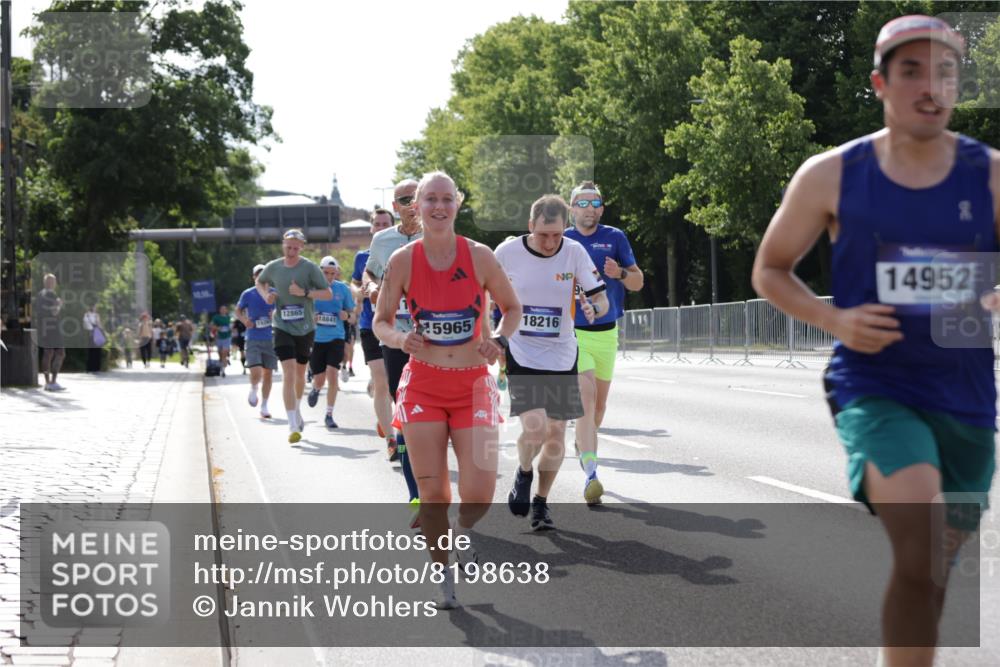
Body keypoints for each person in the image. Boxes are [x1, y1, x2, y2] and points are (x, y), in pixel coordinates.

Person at [751, 16, 998, 667]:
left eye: (944, 72)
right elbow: (770, 269)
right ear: (879, 83)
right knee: (918, 543)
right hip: (877, 386)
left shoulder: (990, 175)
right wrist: (835, 321)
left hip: (968, 397)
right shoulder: (831, 174)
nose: (930, 86)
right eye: (911, 70)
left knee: (933, 572)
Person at [372, 171, 521, 608]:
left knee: (479, 494)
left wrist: (499, 337)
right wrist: (401, 339)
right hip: (423, 386)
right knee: (433, 493)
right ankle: (443, 577)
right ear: (416, 207)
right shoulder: (402, 260)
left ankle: (462, 532)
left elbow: (512, 308)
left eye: (446, 199)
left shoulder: (479, 256)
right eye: (429, 199)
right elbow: (381, 321)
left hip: (474, 384)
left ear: (458, 203)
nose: (439, 207)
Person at [495, 195, 608, 530]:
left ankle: (542, 503)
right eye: (543, 234)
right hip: (522, 350)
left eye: (556, 235)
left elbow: (600, 298)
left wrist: (594, 309)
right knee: (535, 427)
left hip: (561, 355)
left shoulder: (573, 251)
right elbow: (482, 293)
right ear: (530, 227)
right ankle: (524, 471)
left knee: (556, 434)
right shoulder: (507, 253)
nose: (550, 242)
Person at [564, 180, 644, 505]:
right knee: (586, 398)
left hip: (607, 333)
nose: (588, 209)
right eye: (581, 203)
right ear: (572, 209)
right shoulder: (562, 240)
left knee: (598, 408)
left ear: (601, 207)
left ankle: (583, 442)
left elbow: (638, 281)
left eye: (594, 203)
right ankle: (591, 477)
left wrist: (621, 273)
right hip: (572, 333)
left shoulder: (615, 238)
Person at [364, 180, 423, 500]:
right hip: (394, 333)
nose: (412, 204)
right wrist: (372, 288)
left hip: (432, 334)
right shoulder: (382, 240)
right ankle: (416, 490)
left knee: (428, 412)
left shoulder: (438, 237)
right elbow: (370, 272)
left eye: (417, 198)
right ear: (396, 206)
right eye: (405, 199)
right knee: (403, 404)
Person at [256, 228, 332, 443]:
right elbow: (260, 282)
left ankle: (297, 409)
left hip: (306, 328)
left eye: (296, 247)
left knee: (300, 374)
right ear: (283, 244)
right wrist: (266, 296)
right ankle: (291, 425)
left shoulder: (309, 268)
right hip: (281, 326)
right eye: (288, 246)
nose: (291, 250)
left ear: (302, 247)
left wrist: (305, 293)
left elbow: (327, 293)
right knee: (288, 373)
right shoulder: (274, 266)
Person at [352, 207, 397, 456]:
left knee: (397, 385)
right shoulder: (362, 257)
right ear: (371, 228)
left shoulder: (405, 252)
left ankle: (405, 430)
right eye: (377, 224)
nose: (381, 227)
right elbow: (355, 281)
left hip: (399, 326)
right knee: (382, 381)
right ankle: (391, 439)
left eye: (385, 223)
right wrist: (359, 291)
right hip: (371, 325)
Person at [306, 257, 356, 428]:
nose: (329, 276)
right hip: (317, 338)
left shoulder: (343, 289)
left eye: (333, 273)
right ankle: (316, 389)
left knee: (332, 373)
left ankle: (329, 414)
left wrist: (347, 316)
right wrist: (313, 318)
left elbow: (353, 315)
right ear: (320, 272)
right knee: (319, 378)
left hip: (336, 337)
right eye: (326, 273)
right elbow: (304, 314)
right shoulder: (311, 290)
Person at [237, 264, 278, 418]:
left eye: (264, 274)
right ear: (254, 277)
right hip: (253, 337)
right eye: (258, 275)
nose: (261, 277)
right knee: (256, 372)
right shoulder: (248, 294)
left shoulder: (274, 293)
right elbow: (238, 310)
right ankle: (254, 387)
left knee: (268, 374)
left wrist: (274, 313)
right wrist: (244, 320)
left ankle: (265, 405)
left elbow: (281, 310)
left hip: (270, 338)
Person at [36, 273, 66, 391]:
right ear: (49, 282)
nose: (55, 284)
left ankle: (47, 382)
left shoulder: (40, 294)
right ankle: (53, 382)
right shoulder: (51, 294)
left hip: (43, 326)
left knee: (47, 353)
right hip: (52, 326)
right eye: (53, 281)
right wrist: (59, 304)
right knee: (60, 353)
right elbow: (54, 312)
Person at [210, 305, 233, 377]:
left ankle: (223, 370)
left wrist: (231, 328)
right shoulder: (216, 317)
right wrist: (217, 328)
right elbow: (211, 326)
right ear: (219, 310)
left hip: (227, 337)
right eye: (222, 309)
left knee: (224, 352)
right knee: (220, 354)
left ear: (226, 310)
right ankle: (222, 365)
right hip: (219, 337)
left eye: (224, 309)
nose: (223, 310)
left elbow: (232, 327)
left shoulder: (229, 318)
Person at [82, 304, 104, 373]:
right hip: (96, 334)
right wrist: (102, 330)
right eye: (95, 307)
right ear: (93, 307)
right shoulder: (96, 315)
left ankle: (89, 368)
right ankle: (96, 368)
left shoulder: (86, 315)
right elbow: (99, 325)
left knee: (90, 352)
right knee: (97, 352)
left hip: (89, 334)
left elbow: (84, 325)